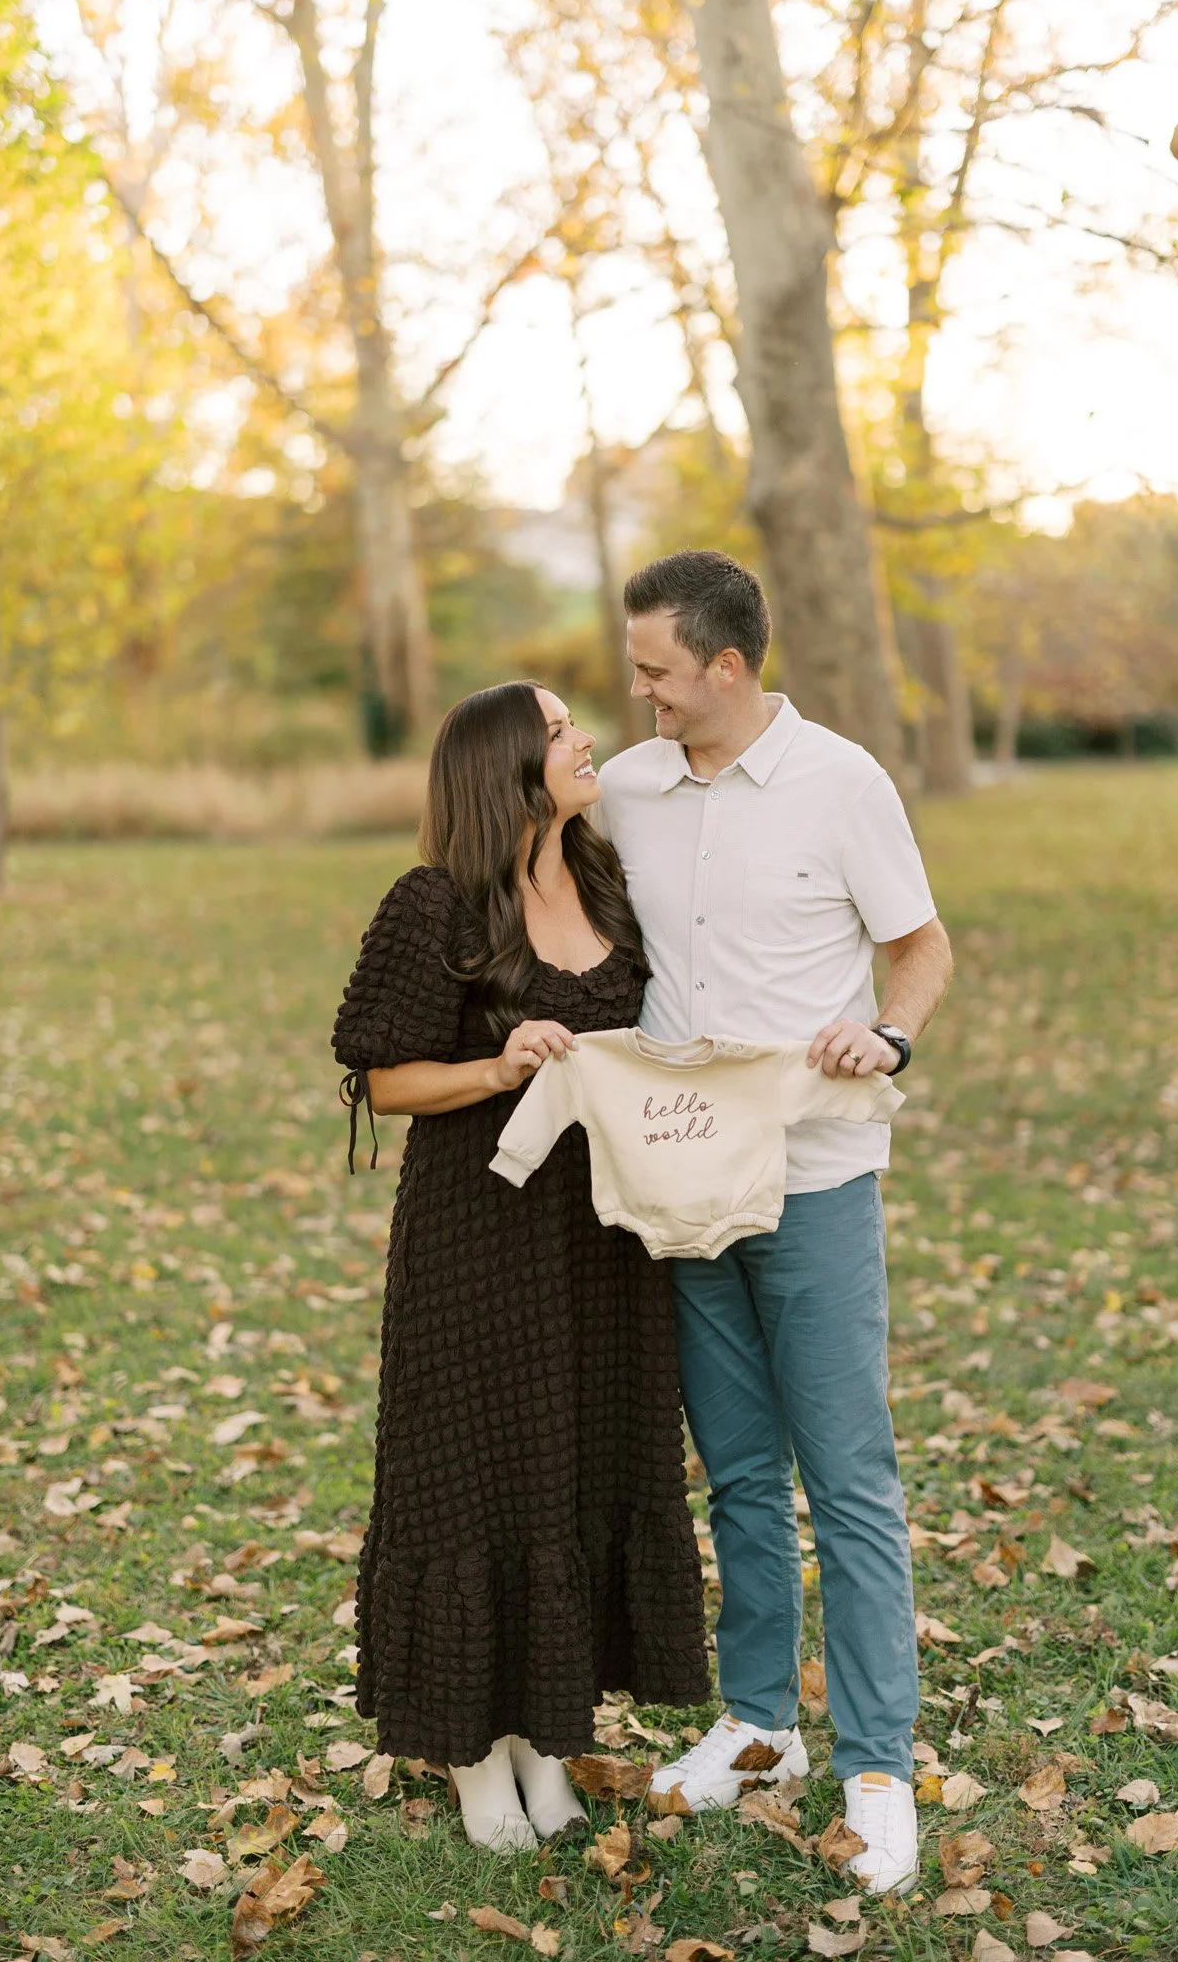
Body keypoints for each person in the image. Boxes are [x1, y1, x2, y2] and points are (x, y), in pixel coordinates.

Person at [595, 550, 954, 1896]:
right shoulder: (628, 789)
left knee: (847, 1478)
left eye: (657, 670)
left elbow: (921, 947)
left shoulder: (842, 783)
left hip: (815, 1175)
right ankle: (757, 1727)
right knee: (739, 1472)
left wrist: (889, 1032)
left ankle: (876, 1766)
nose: (640, 690)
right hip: (683, 1177)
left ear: (727, 665)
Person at [331, 681, 709, 1853]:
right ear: (505, 768)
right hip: (479, 1232)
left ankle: (547, 1733)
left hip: (603, 1238)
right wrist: (499, 1065)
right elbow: (383, 1077)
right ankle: (468, 1749)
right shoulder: (433, 902)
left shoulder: (604, 884)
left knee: (575, 1459)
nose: (585, 736)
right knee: (473, 1470)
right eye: (556, 730)